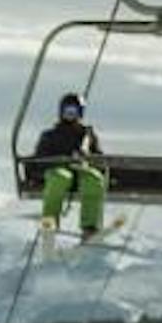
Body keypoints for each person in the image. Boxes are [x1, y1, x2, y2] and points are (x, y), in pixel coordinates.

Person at [32, 93, 108, 247]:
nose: (70, 115)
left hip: (81, 172)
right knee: (58, 178)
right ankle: (50, 223)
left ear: (80, 113)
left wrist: (88, 157)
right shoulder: (51, 135)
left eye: (73, 112)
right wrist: (59, 160)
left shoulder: (87, 136)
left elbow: (99, 158)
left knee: (93, 178)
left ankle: (89, 226)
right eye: (67, 111)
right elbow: (39, 159)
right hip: (59, 171)